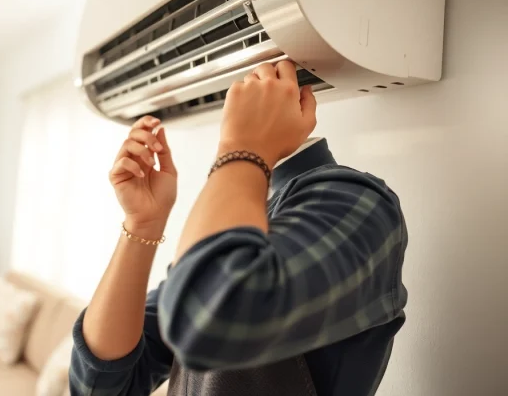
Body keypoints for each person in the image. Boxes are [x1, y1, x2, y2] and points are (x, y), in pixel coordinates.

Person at [69, 60, 408, 396]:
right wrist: (142, 224)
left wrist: (240, 148)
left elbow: (203, 319)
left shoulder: (352, 202)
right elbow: (99, 388)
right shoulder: (242, 221)